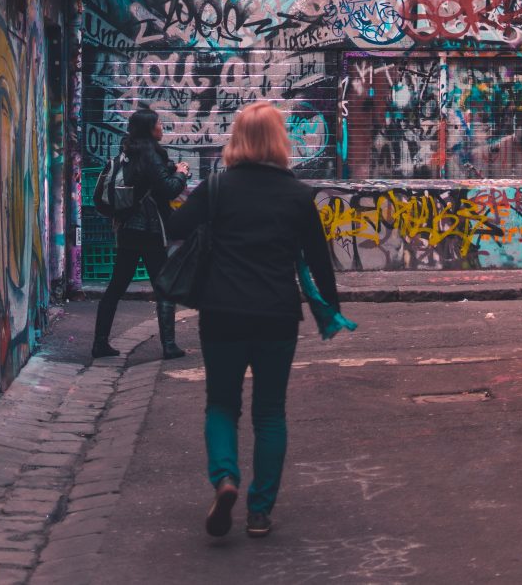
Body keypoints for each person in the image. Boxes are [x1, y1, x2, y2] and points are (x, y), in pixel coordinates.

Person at [166, 100, 341, 539]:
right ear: (281, 141)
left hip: (222, 313)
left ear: (237, 139)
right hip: (277, 315)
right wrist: (331, 312)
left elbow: (178, 228)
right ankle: (259, 511)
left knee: (222, 403)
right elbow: (321, 262)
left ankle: (225, 478)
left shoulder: (218, 187)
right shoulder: (297, 195)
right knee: (269, 413)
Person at [92, 106, 190, 361]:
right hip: (149, 232)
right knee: (164, 288)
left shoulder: (129, 151)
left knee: (115, 288)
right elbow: (168, 190)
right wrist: (181, 174)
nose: (162, 127)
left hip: (127, 231)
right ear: (149, 128)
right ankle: (169, 345)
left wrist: (169, 168)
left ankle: (100, 343)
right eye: (158, 123)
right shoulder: (149, 154)